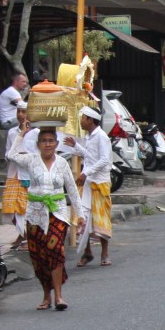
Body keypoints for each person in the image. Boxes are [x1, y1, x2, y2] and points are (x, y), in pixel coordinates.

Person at [7, 126, 86, 310]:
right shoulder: (31, 160)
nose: (48, 144)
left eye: (51, 141)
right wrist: (21, 134)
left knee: (55, 250)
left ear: (57, 144)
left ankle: (59, 296)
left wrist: (80, 214)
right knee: (39, 257)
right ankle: (46, 296)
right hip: (35, 214)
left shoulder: (62, 163)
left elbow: (72, 191)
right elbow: (11, 154)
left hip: (57, 212)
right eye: (44, 141)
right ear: (38, 144)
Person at [65, 107, 113, 266]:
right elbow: (89, 156)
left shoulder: (102, 137)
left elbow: (105, 160)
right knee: (82, 217)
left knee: (101, 219)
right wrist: (76, 147)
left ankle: (105, 253)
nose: (81, 121)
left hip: (100, 183)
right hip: (88, 182)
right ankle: (87, 252)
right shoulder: (89, 137)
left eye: (83, 118)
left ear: (91, 120)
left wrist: (87, 173)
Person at [2, 101, 31, 250]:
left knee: (25, 208)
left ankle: (25, 236)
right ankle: (23, 234)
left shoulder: (35, 132)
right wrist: (16, 155)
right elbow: (8, 153)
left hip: (28, 175)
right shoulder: (12, 132)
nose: (20, 115)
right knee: (10, 207)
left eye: (23, 112)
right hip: (14, 173)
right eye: (18, 111)